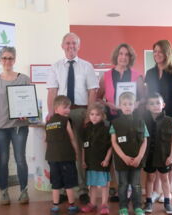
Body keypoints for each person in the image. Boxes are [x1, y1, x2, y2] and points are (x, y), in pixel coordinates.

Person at [46, 32, 99, 204]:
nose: (71, 46)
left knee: (80, 150)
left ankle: (82, 189)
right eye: (68, 43)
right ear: (62, 46)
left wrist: (89, 115)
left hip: (79, 112)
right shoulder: (56, 67)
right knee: (60, 150)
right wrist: (52, 113)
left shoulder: (87, 66)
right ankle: (61, 189)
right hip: (60, 113)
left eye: (74, 43)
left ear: (79, 46)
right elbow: (52, 91)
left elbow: (92, 91)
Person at [97, 43, 145, 201]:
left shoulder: (136, 75)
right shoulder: (107, 76)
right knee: (114, 153)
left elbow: (143, 97)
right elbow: (99, 97)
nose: (123, 57)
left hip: (131, 119)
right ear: (116, 56)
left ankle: (131, 188)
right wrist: (108, 104)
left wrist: (136, 104)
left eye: (127, 54)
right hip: (113, 118)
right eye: (121, 54)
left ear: (130, 57)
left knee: (130, 150)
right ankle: (117, 188)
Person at [0, 46, 30, 205]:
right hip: (0, 128)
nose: (7, 61)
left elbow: (29, 101)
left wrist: (28, 111)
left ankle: (24, 191)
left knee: (20, 159)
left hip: (19, 126)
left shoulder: (24, 78)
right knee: (3, 160)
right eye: (4, 58)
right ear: (0, 60)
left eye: (10, 58)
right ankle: (4, 192)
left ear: (15, 59)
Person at [145, 39, 172, 202]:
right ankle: (154, 191)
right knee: (155, 152)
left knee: (169, 154)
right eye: (154, 51)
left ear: (167, 52)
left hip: (171, 119)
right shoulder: (150, 73)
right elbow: (147, 97)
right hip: (153, 119)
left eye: (160, 51)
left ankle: (166, 191)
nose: (157, 54)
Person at [110, 92, 148, 215]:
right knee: (123, 185)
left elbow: (144, 141)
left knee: (136, 184)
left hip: (137, 160)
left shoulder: (141, 122)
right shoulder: (115, 123)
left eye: (130, 104)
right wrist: (124, 157)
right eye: (124, 104)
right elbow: (114, 143)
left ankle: (137, 207)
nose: (127, 107)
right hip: (122, 161)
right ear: (119, 106)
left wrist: (139, 157)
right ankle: (123, 207)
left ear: (135, 105)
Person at [45, 95, 79, 214]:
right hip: (65, 157)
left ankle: (55, 206)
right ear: (56, 108)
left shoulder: (48, 122)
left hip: (52, 158)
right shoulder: (65, 121)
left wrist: (48, 155)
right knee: (68, 182)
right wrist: (76, 152)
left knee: (55, 183)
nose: (68, 110)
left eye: (69, 108)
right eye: (65, 107)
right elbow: (72, 138)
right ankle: (71, 206)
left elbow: (46, 141)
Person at [143, 93, 172, 214]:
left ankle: (167, 202)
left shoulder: (169, 121)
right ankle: (148, 202)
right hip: (149, 155)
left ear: (163, 105)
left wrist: (171, 155)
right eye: (152, 104)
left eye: (158, 103)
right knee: (150, 178)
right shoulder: (145, 121)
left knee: (164, 178)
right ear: (147, 106)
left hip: (164, 156)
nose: (155, 106)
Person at [81, 103, 112, 215]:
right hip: (90, 162)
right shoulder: (86, 129)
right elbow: (84, 147)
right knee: (92, 185)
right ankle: (92, 203)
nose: (94, 117)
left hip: (103, 162)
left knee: (104, 185)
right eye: (92, 114)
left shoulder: (107, 128)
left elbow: (111, 147)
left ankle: (104, 204)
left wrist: (107, 160)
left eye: (97, 115)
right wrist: (83, 160)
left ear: (103, 116)